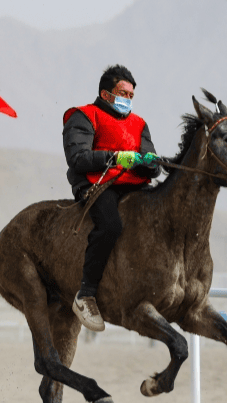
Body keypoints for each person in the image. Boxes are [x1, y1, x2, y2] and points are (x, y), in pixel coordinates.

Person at [62, 65, 161, 332]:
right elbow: (77, 158)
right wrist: (115, 157)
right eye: (122, 93)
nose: (127, 99)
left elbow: (150, 158)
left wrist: (150, 164)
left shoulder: (139, 123)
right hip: (96, 184)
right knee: (111, 226)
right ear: (106, 94)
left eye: (131, 95)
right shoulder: (83, 116)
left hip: (132, 185)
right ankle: (86, 294)